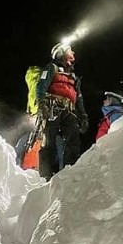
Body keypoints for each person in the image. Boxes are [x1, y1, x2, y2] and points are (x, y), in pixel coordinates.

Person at [35, 43, 89, 180]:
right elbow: (41, 85)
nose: (74, 53)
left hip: (69, 111)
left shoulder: (74, 77)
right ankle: (45, 176)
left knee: (73, 140)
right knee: (49, 141)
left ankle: (68, 173)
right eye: (70, 50)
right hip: (53, 107)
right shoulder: (51, 68)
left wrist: (83, 116)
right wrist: (41, 103)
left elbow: (79, 98)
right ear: (61, 53)